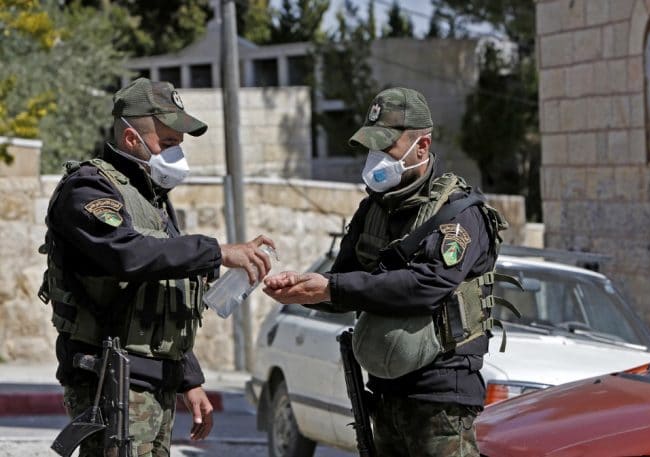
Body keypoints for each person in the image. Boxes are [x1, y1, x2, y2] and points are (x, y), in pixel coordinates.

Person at [263, 87, 512, 457]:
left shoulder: (459, 213)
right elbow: (347, 282)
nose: (375, 159)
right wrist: (302, 289)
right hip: (384, 392)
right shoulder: (374, 210)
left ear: (422, 146)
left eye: (386, 148)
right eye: (371, 149)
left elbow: (427, 285)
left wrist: (331, 288)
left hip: (440, 397)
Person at [39, 77, 275, 456]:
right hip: (110, 379)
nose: (176, 154)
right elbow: (129, 255)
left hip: (152, 382)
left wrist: (189, 379)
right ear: (131, 138)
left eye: (178, 144)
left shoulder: (151, 199)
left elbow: (158, 297)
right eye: (167, 143)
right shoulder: (88, 189)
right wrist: (216, 251)